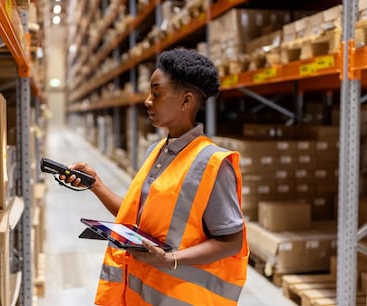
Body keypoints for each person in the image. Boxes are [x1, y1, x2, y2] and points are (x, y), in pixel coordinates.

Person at [62, 48, 248, 305]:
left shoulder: (213, 164)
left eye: (157, 93)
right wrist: (96, 185)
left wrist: (170, 260)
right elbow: (136, 219)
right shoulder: (156, 151)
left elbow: (232, 242)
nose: (147, 100)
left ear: (186, 101)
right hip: (143, 294)